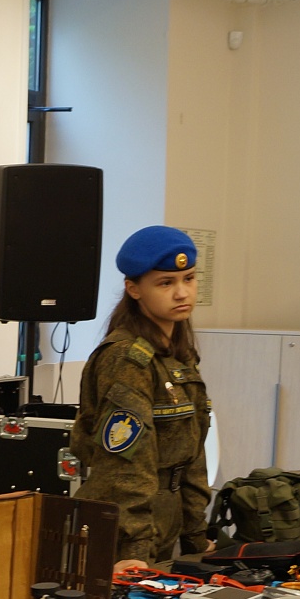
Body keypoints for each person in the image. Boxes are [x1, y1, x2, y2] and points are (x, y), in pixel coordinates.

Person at [71, 225, 212, 573]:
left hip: (164, 521)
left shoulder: (177, 354)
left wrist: (196, 534)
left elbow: (192, 456)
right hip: (122, 530)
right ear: (134, 289)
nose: (182, 292)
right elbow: (124, 466)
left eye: (189, 279)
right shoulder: (127, 360)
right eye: (165, 283)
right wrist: (133, 546)